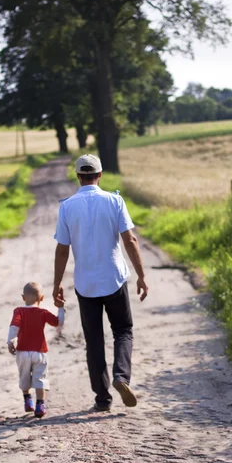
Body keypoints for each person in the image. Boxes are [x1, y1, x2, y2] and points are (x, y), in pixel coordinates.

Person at [53, 153, 148, 412]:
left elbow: (62, 250)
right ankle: (121, 377)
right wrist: (141, 274)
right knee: (123, 330)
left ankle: (102, 399)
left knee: (93, 341)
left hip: (86, 284)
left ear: (77, 176)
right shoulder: (115, 201)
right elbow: (130, 240)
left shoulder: (67, 207)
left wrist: (56, 284)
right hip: (114, 279)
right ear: (100, 174)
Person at [7, 281, 65, 418]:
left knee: (24, 376)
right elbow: (58, 323)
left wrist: (11, 341)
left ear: (23, 297)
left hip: (22, 351)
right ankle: (40, 405)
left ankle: (27, 400)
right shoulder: (43, 312)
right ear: (42, 298)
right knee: (40, 378)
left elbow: (14, 326)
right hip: (40, 351)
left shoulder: (19, 311)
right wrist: (61, 308)